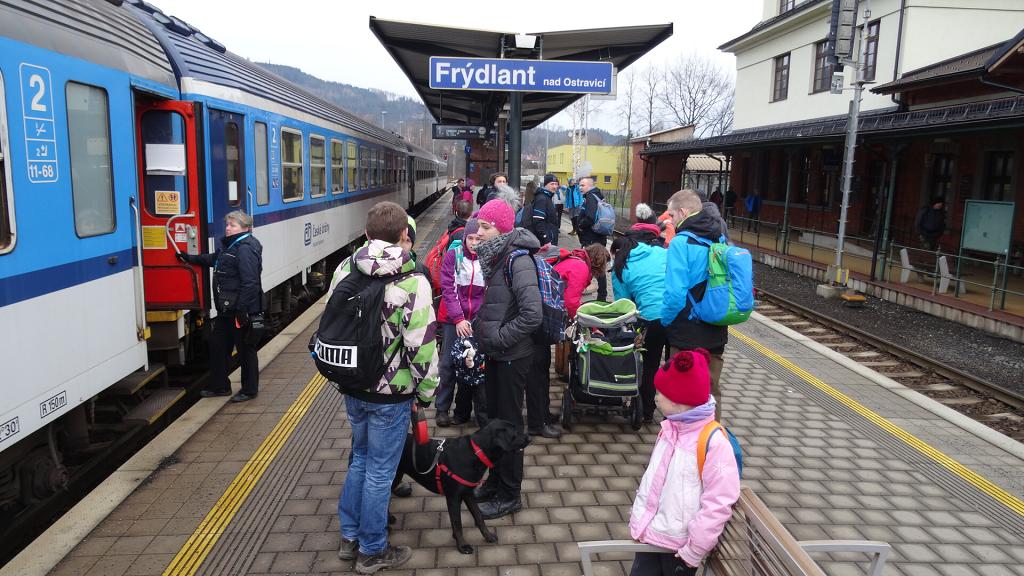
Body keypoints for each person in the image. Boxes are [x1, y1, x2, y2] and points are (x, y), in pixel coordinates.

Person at [333, 201, 439, 573]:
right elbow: (421, 346)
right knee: (380, 469)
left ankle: (350, 537)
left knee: (359, 458)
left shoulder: (344, 268)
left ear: (366, 234)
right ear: (404, 236)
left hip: (352, 384)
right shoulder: (412, 281)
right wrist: (427, 392)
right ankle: (372, 549)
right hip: (390, 393)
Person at [628, 349, 740, 576]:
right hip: (653, 534)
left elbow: (718, 502)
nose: (656, 397)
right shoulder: (671, 429)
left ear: (681, 403)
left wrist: (695, 549)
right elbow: (655, 479)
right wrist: (641, 518)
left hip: (680, 549)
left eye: (662, 393)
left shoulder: (713, 443)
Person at [471, 199, 542, 520]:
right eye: (479, 226)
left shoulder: (517, 260)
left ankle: (510, 493)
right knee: (495, 424)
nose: (479, 232)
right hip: (498, 354)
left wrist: (497, 338)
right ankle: (496, 481)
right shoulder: (497, 257)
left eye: (485, 227)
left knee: (510, 427)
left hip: (512, 355)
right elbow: (500, 305)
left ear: (501, 227)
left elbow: (532, 315)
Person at [178, 210, 263, 403]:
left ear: (245, 228)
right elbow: (213, 259)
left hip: (241, 310)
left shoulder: (245, 249)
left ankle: (250, 390)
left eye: (232, 225)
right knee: (217, 346)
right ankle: (220, 386)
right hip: (227, 309)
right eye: (227, 224)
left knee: (245, 351)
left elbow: (250, 283)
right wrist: (189, 258)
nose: (227, 228)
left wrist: (242, 310)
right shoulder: (231, 247)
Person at [661, 189, 729, 420]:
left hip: (687, 329)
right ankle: (711, 442)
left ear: (682, 212)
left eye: (671, 215)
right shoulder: (719, 236)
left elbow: (675, 293)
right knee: (711, 390)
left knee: (681, 389)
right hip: (716, 325)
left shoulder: (681, 242)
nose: (670, 219)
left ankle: (683, 442)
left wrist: (665, 321)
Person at [436, 218, 487, 427]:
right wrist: (458, 319)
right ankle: (441, 408)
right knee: (448, 363)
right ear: (465, 238)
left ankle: (468, 408)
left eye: (478, 239)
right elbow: (448, 288)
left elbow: (489, 292)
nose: (474, 243)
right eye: (470, 238)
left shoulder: (488, 258)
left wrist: (478, 319)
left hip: (477, 319)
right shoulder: (453, 256)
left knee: (473, 363)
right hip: (452, 319)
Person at [611, 235, 667, 423]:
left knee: (650, 365)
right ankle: (676, 413)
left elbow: (624, 306)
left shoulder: (620, 267)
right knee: (675, 364)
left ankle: (647, 412)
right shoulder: (660, 252)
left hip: (652, 318)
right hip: (678, 314)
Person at [576, 176, 610, 301]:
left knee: (595, 266)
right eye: (579, 185)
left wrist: (580, 225)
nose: (580, 188)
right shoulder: (597, 195)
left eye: (582, 185)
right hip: (597, 237)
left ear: (590, 186)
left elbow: (590, 217)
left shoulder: (590, 197)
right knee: (597, 265)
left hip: (592, 238)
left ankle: (601, 296)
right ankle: (601, 295)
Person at [529, 174, 560, 246]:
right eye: (552, 184)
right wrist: (546, 240)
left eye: (556, 184)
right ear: (545, 185)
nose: (555, 186)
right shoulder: (542, 199)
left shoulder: (547, 197)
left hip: (550, 239)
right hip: (546, 242)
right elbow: (538, 221)